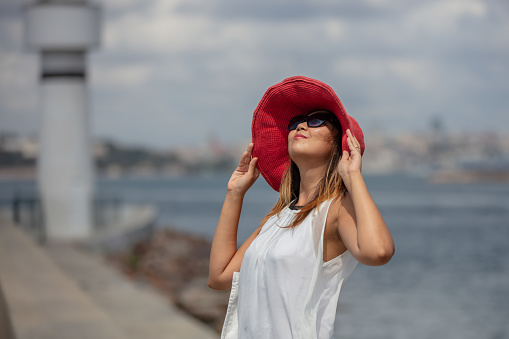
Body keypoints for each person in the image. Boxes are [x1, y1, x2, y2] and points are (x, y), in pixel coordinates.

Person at [208, 76, 395, 339]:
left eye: (317, 120)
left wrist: (353, 177)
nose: (302, 125)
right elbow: (219, 277)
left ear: (338, 144)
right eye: (295, 123)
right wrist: (234, 194)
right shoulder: (278, 218)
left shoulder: (336, 209)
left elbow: (379, 252)